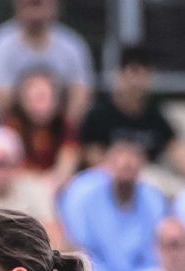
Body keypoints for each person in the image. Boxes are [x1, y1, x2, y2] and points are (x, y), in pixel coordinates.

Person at [59, 136, 167, 271]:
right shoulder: (82, 192)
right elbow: (77, 246)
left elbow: (154, 254)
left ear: (142, 166)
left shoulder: (153, 199)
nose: (126, 167)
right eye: (120, 163)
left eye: (131, 165)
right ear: (107, 164)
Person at [0, 0, 94, 125]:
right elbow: (0, 99)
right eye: (31, 3)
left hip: (58, 126)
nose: (35, 4)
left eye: (40, 3)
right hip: (8, 127)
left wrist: (63, 129)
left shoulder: (72, 45)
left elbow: (81, 95)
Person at [79, 44, 185, 174]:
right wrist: (124, 166)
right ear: (120, 76)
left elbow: (177, 151)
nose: (136, 83)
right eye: (133, 74)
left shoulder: (155, 117)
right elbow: (92, 156)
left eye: (142, 75)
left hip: (146, 177)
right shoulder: (99, 116)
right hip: (109, 175)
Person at [2, 69, 81, 190]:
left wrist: (53, 182)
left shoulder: (64, 125)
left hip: (55, 187)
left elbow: (67, 163)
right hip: (20, 187)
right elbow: (8, 167)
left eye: (46, 97)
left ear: (57, 100)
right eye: (36, 98)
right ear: (22, 99)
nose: (41, 106)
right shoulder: (11, 125)